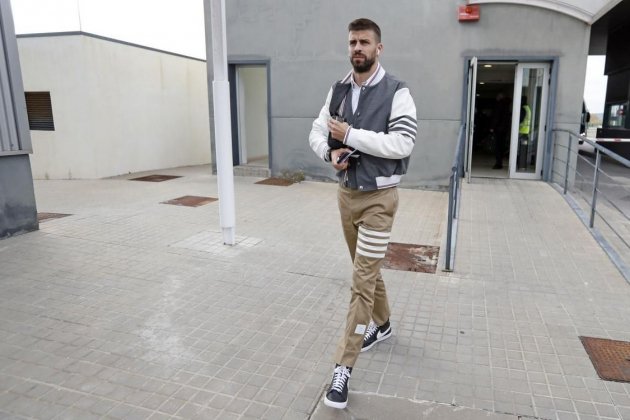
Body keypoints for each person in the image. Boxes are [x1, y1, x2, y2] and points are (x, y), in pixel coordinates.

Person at [308, 18, 417, 409]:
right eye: (353, 42)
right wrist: (330, 152)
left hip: (379, 199)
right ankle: (383, 325)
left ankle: (344, 366)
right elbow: (316, 132)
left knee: (361, 280)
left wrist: (350, 136)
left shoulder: (397, 91)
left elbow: (403, 143)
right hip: (346, 195)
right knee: (365, 269)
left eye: (365, 42)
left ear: (378, 48)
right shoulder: (338, 89)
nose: (358, 48)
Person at [489, 92, 511, 169]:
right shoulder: (507, 105)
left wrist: (492, 127)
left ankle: (498, 163)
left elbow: (496, 117)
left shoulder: (499, 105)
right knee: (502, 146)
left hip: (498, 129)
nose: (496, 98)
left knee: (497, 146)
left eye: (497, 96)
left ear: (499, 97)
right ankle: (500, 161)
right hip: (505, 129)